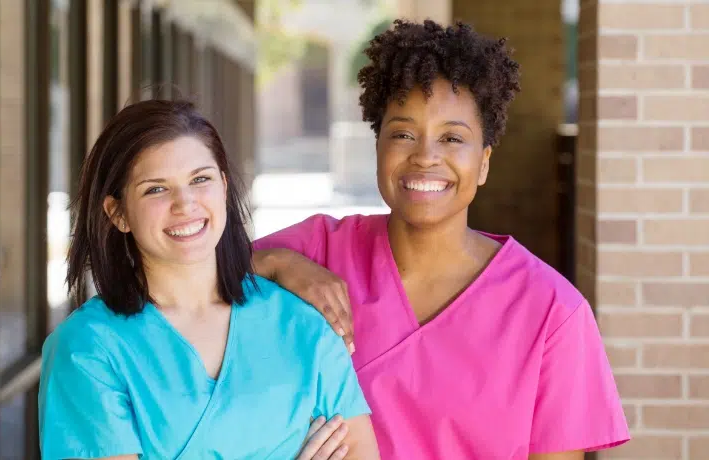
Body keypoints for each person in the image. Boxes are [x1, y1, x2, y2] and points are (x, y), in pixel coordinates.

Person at [252, 19, 631, 459]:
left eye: (452, 138)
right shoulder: (317, 252)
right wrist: (274, 264)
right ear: (378, 150)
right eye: (403, 134)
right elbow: (178, 279)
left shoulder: (551, 313)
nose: (425, 156)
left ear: (484, 163)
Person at [38, 99, 381, 460]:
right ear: (118, 213)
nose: (185, 204)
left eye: (200, 179)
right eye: (156, 189)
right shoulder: (87, 349)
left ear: (224, 186)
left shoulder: (304, 325)